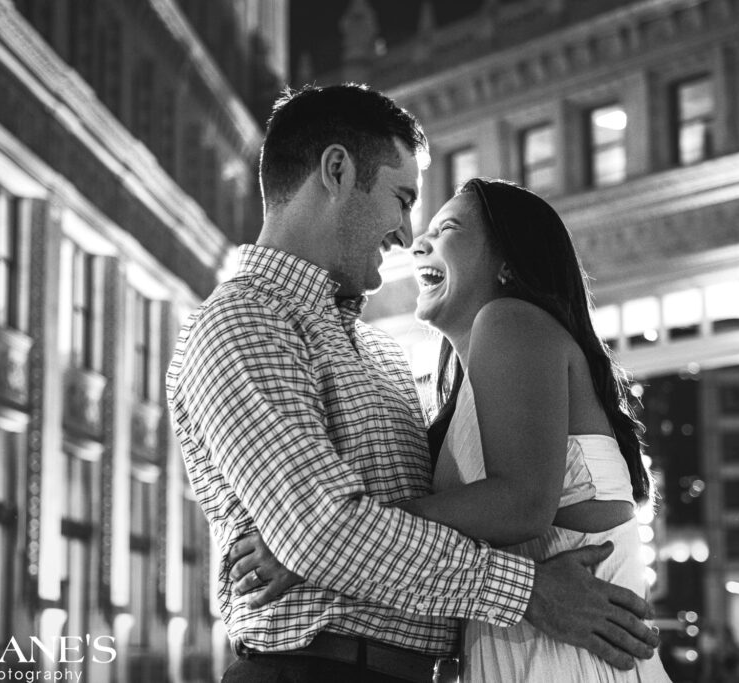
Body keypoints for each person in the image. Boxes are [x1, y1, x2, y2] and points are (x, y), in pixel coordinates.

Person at [165, 84, 660, 683]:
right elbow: (322, 531)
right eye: (401, 199)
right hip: (310, 670)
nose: (406, 233)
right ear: (338, 171)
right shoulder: (244, 322)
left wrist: (312, 547)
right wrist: (528, 593)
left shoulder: (385, 354)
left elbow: (358, 530)